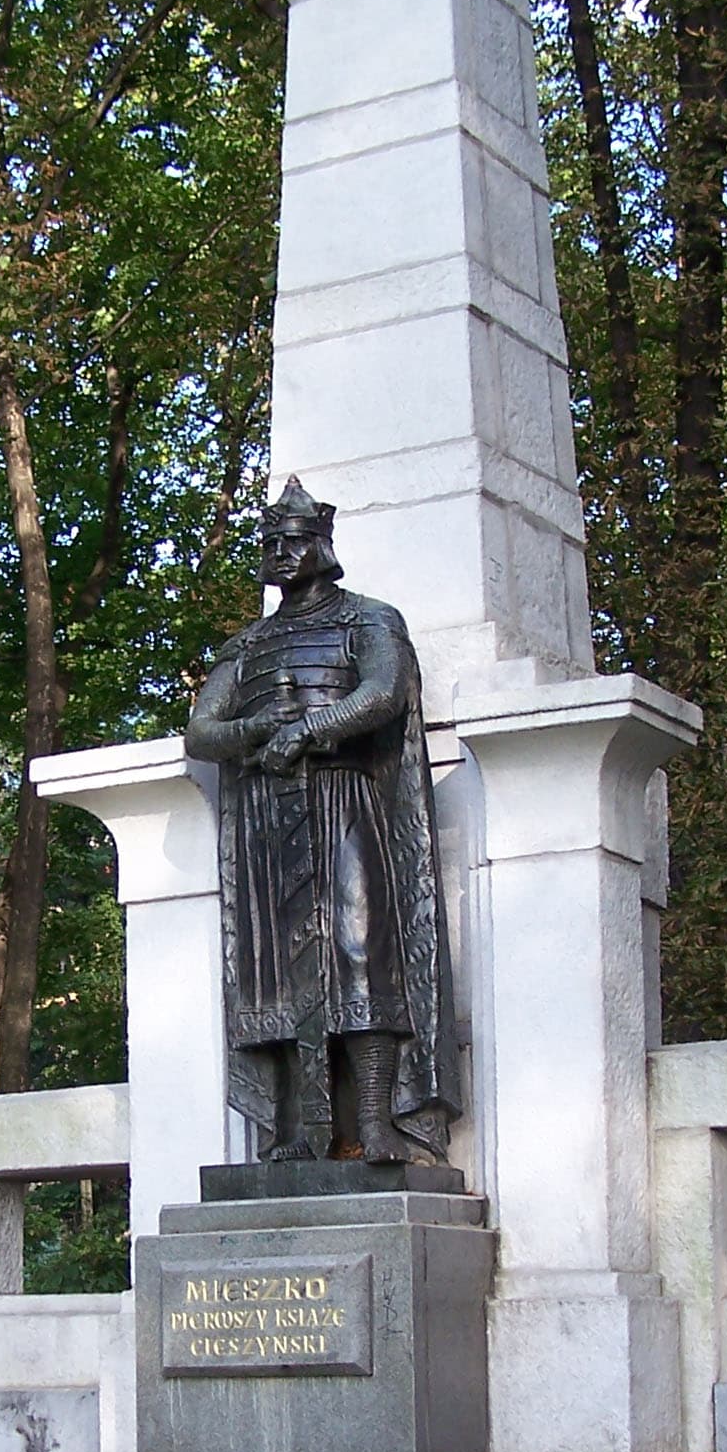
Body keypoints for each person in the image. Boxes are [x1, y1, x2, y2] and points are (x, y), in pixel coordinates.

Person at [184, 478, 460, 1163]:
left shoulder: (368, 620)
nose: (279, 553)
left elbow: (383, 692)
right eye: (270, 543)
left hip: (344, 804)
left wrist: (309, 729)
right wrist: (257, 727)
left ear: (323, 547)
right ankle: (296, 1131)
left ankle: (374, 1122)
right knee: (276, 975)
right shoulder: (246, 646)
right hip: (267, 827)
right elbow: (202, 732)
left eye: (293, 541)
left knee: (362, 955)